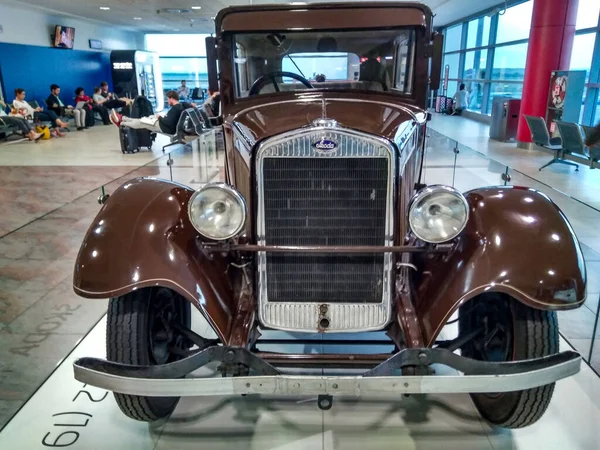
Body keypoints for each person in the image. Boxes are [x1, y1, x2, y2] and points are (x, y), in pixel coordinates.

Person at [110, 90, 184, 135]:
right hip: (164, 126)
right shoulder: (179, 107)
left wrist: (159, 117)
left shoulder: (175, 109)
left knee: (142, 123)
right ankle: (122, 118)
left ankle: (121, 122)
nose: (167, 101)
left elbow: (168, 122)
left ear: (172, 98)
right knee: (143, 119)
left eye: (168, 99)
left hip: (164, 127)